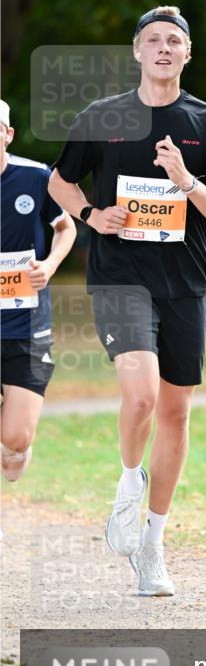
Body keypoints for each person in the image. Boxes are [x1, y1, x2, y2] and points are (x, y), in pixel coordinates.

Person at [48, 6, 206, 594]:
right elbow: (59, 181)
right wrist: (89, 215)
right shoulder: (102, 116)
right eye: (153, 40)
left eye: (174, 42)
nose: (163, 48)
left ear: (188, 55)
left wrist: (187, 181)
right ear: (136, 51)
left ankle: (152, 545)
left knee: (176, 413)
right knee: (141, 398)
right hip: (119, 276)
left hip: (184, 283)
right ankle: (128, 485)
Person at [0, 99, 76, 483]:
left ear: (7, 134)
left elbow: (67, 228)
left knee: (13, 443)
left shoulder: (35, 177)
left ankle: (16, 446)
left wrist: (49, 266)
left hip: (27, 326)